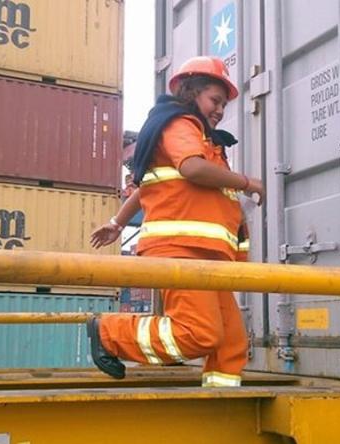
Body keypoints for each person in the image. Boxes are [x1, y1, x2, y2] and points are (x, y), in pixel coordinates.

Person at [88, 56, 264, 387]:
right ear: (190, 92)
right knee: (198, 333)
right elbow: (191, 169)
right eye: (215, 100)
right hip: (181, 251)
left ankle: (220, 401)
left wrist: (116, 222)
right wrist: (246, 182)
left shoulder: (202, 138)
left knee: (230, 342)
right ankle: (108, 333)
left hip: (208, 256)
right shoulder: (179, 124)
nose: (220, 110)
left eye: (224, 104)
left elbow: (147, 186)